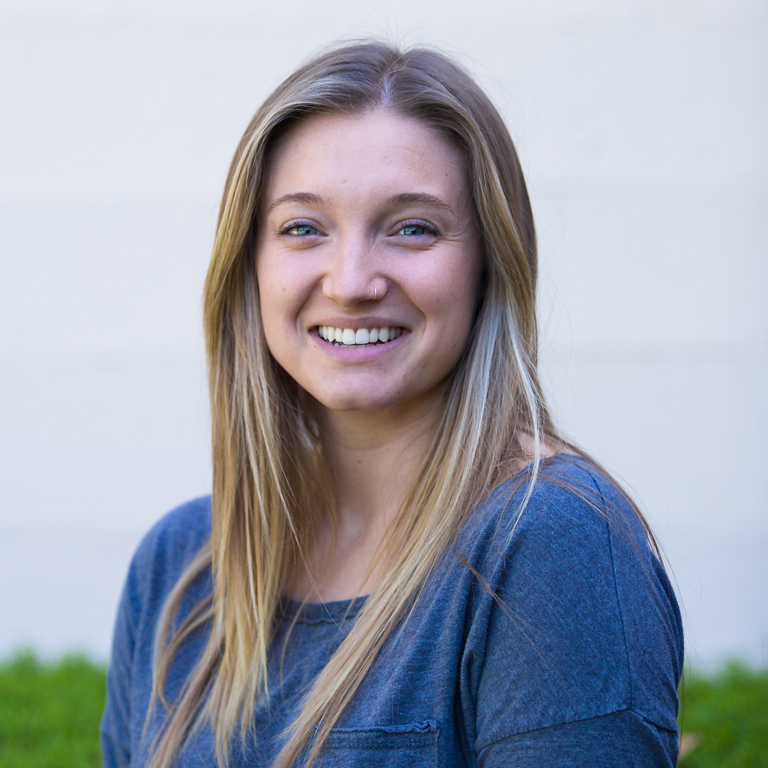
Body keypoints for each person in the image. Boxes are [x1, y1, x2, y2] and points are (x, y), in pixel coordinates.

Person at [101, 40, 684, 768]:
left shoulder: (551, 545)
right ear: (250, 267)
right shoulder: (180, 565)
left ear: (489, 263)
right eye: (302, 228)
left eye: (412, 227)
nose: (350, 281)